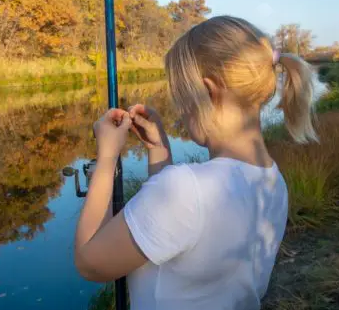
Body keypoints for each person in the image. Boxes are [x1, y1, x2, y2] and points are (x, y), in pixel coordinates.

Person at [75, 16, 317, 310]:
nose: (180, 112)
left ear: (209, 91)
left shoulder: (186, 189)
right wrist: (158, 148)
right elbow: (178, 233)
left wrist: (106, 158)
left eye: (182, 98)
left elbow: (90, 264)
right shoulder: (273, 181)